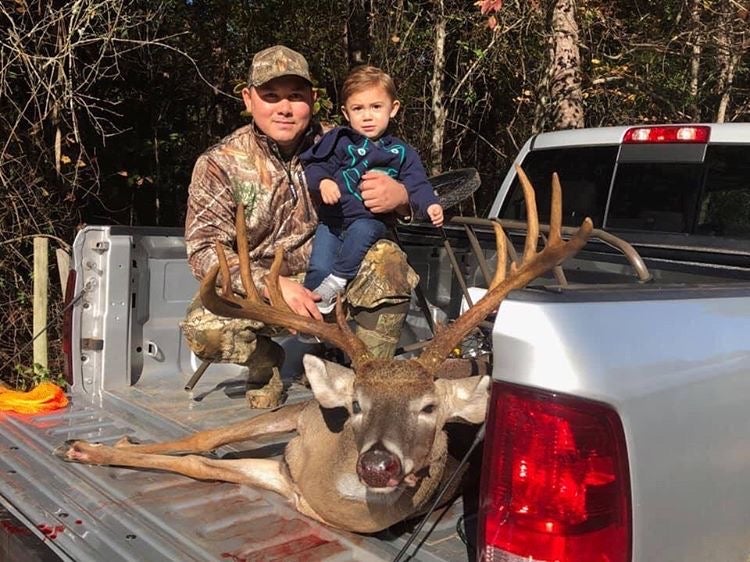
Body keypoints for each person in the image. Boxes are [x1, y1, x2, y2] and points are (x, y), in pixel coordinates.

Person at [181, 46, 419, 404]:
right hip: (264, 291)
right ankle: (266, 363)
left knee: (388, 259)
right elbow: (203, 251)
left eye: (295, 96)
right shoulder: (220, 164)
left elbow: (409, 183)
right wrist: (270, 284)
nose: (285, 108)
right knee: (203, 329)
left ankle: (367, 383)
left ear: (313, 99)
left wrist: (402, 199)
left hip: (336, 275)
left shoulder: (348, 141)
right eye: (271, 96)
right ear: (248, 99)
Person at [300, 66, 444, 313]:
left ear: (394, 108)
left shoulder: (401, 153)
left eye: (376, 107)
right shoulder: (339, 141)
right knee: (318, 267)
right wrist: (324, 182)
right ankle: (310, 314)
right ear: (346, 113)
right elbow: (314, 165)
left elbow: (418, 184)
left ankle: (339, 279)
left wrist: (430, 204)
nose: (367, 116)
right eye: (358, 109)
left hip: (370, 220)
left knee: (363, 230)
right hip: (333, 222)